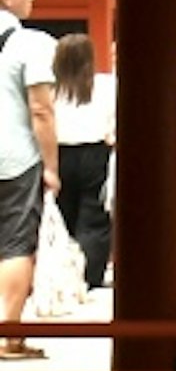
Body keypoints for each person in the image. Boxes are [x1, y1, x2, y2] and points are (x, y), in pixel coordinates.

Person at [0, 0, 57, 358]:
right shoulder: (29, 43)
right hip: (14, 156)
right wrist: (51, 165)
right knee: (16, 244)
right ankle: (8, 336)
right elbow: (41, 109)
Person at [50, 31, 114, 292]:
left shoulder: (52, 89)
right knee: (94, 219)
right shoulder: (106, 85)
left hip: (60, 154)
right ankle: (90, 277)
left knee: (62, 217)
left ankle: (62, 277)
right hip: (95, 153)